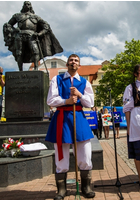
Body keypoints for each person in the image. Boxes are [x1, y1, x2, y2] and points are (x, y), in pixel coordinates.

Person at [45, 54, 95, 199]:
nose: (73, 62)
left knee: (85, 154)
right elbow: (51, 100)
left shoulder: (84, 83)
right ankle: (61, 189)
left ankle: (86, 187)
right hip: (62, 119)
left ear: (79, 65)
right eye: (71, 60)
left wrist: (79, 95)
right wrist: (66, 101)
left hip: (79, 118)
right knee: (61, 157)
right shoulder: (57, 79)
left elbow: (90, 103)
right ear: (67, 64)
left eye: (76, 61)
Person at [3, 1, 63, 71]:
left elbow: (46, 26)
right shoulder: (17, 15)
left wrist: (39, 34)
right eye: (25, 4)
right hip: (19, 35)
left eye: (28, 4)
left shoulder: (36, 17)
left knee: (35, 51)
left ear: (30, 6)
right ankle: (20, 70)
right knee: (19, 53)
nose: (26, 5)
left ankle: (36, 69)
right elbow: (8, 25)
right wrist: (14, 30)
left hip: (31, 36)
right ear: (23, 6)